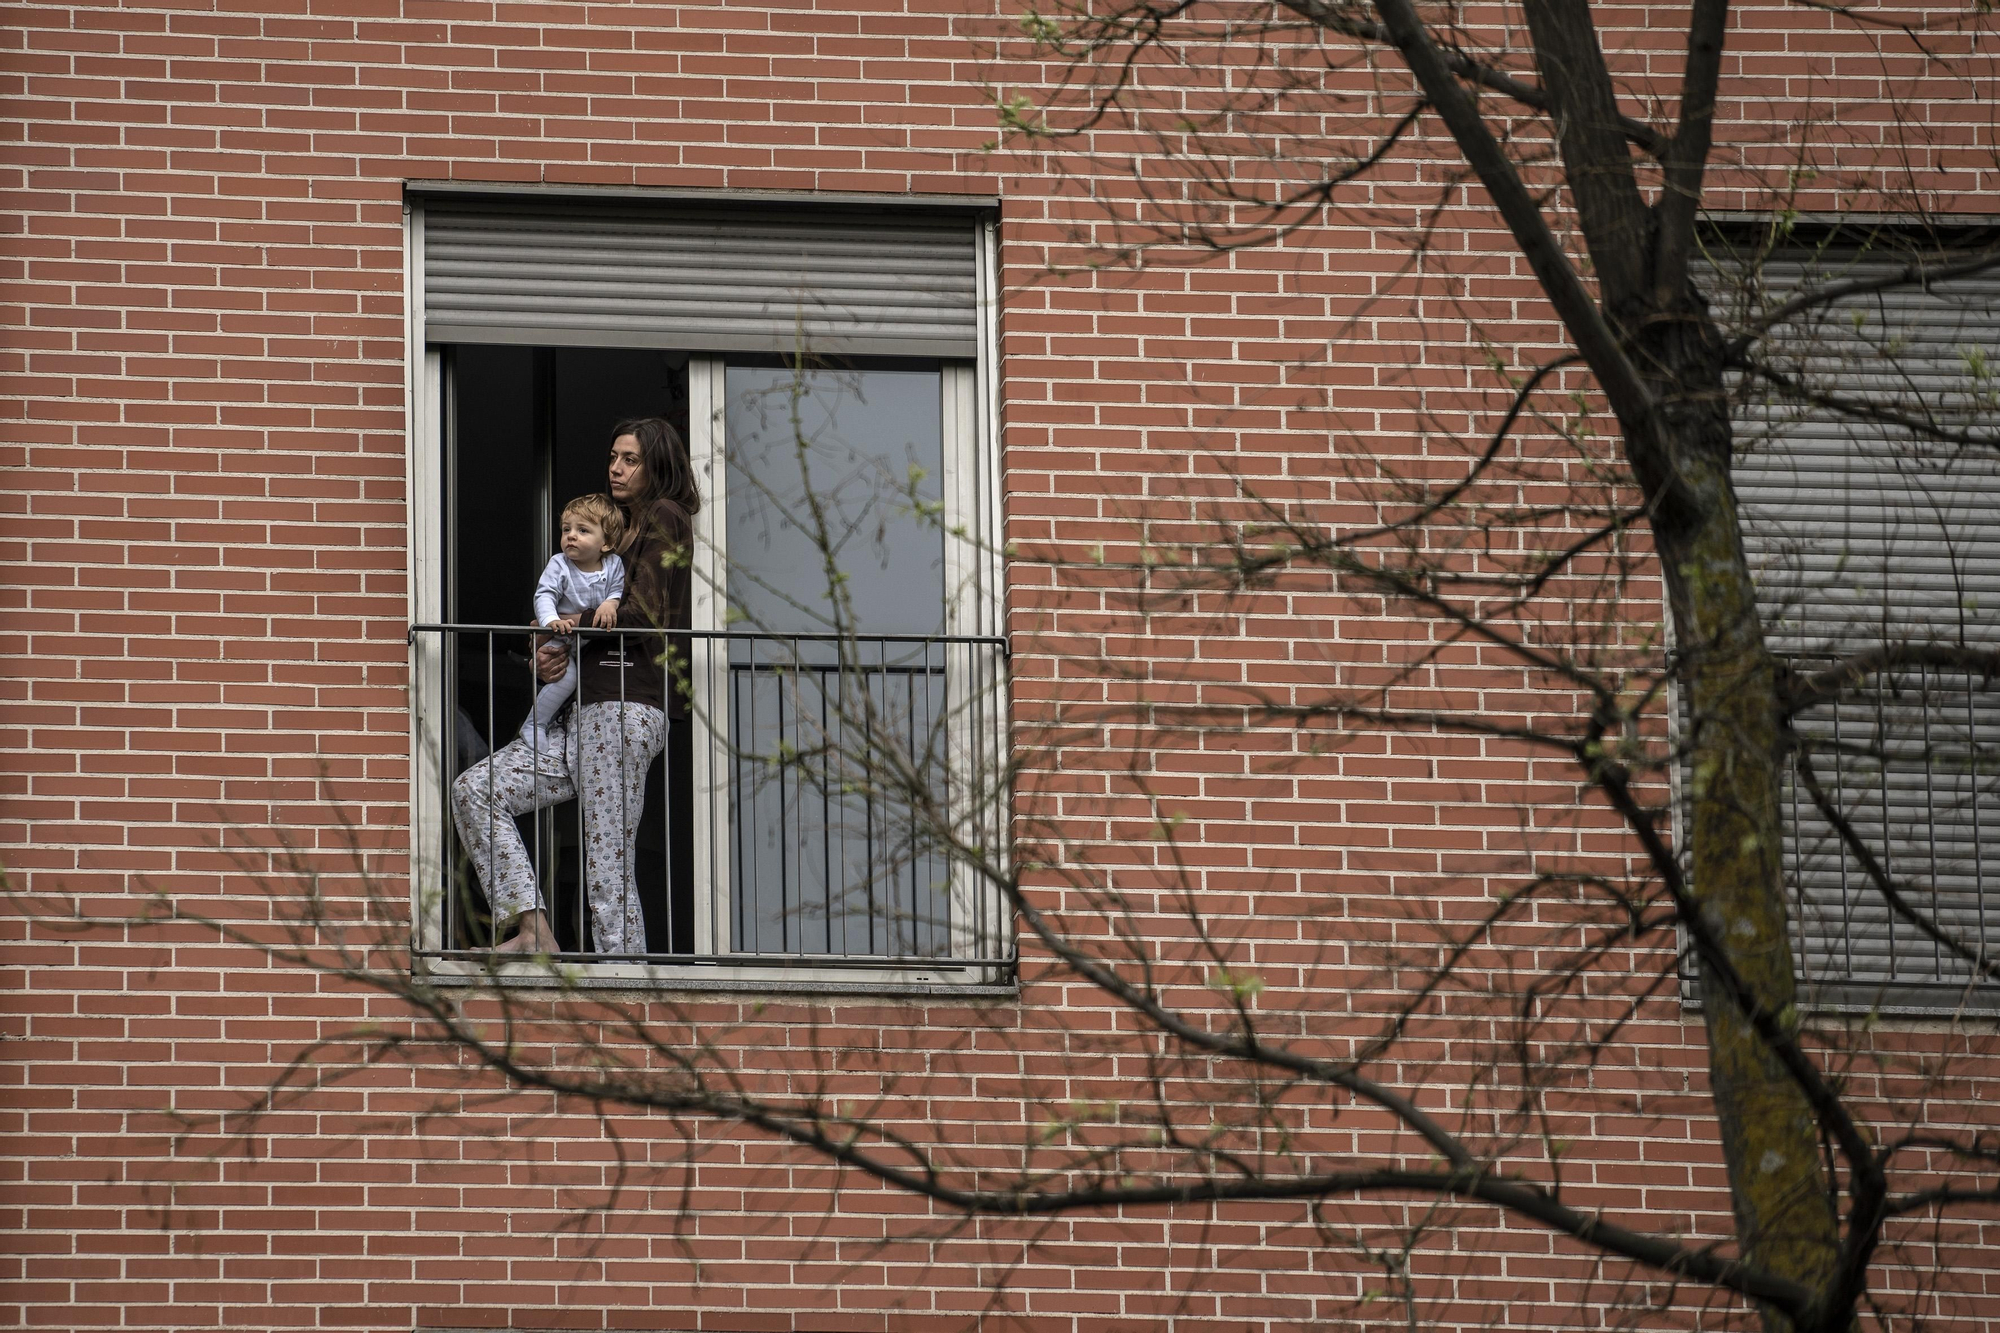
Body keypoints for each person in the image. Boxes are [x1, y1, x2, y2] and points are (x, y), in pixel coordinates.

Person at [451, 418, 698, 956]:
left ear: (658, 465)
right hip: (583, 712)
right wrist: (547, 649)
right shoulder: (614, 536)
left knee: (607, 860)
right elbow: (569, 609)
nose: (615, 466)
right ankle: (534, 933)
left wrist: (571, 627)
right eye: (613, 456)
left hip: (624, 708)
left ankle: (622, 983)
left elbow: (641, 614)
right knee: (476, 790)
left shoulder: (664, 515)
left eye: (629, 458)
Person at [519, 493, 625, 755]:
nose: (571, 536)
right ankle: (535, 724)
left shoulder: (613, 564)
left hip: (593, 643)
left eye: (583, 530)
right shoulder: (560, 564)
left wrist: (610, 604)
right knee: (566, 680)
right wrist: (551, 621)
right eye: (566, 529)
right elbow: (544, 595)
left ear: (607, 542)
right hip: (563, 635)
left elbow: (616, 591)